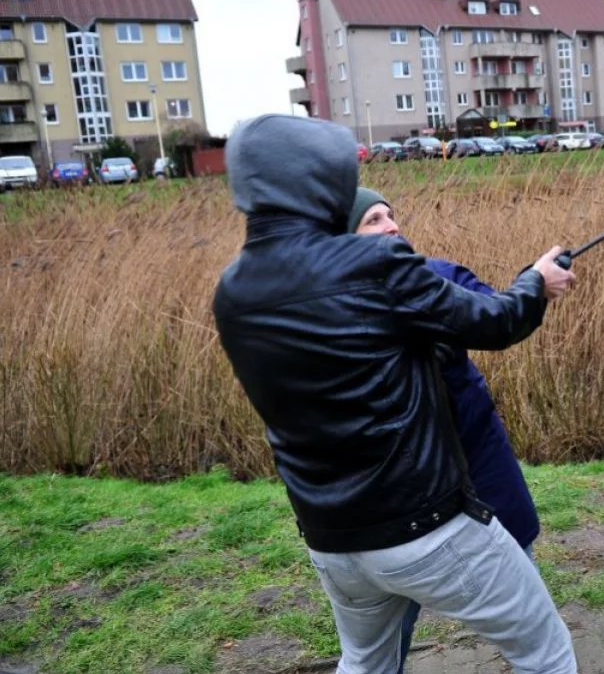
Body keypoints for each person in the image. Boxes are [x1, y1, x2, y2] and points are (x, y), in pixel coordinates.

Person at [212, 115, 578, 674]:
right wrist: (535, 281)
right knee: (546, 653)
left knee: (365, 664)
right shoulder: (375, 263)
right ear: (321, 184)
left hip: (332, 541)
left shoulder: (234, 290)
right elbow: (494, 322)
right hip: (427, 529)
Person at [347, 187, 541, 671]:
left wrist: (531, 284)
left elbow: (494, 312)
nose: (392, 225)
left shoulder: (433, 276)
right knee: (399, 605)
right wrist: (535, 281)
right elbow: (502, 317)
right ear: (343, 236)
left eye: (392, 215)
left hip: (475, 454)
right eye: (373, 219)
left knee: (518, 569)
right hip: (410, 485)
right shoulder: (409, 286)